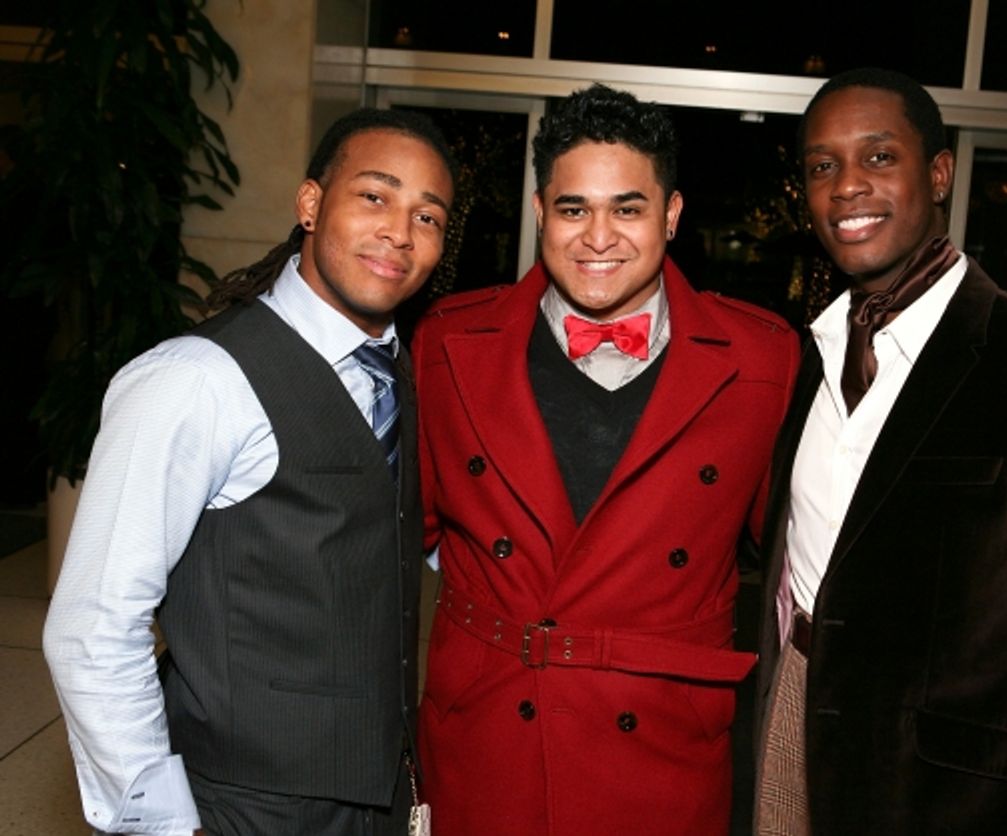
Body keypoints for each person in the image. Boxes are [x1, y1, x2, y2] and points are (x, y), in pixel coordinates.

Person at [753, 67, 1007, 835]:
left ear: (938, 174)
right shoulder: (809, 354)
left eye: (878, 157)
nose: (845, 187)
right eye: (821, 166)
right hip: (792, 727)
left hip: (942, 788)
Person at [42, 107, 455, 835]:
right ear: (309, 203)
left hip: (380, 793)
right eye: (375, 196)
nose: (400, 230)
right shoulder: (193, 379)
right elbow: (95, 626)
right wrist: (164, 825)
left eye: (428, 216)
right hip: (239, 804)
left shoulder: (405, 376)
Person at [411, 83, 801, 836]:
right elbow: (406, 543)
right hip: (488, 739)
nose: (598, 237)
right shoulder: (446, 345)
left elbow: (791, 556)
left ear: (671, 216)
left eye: (627, 208)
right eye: (572, 208)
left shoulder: (763, 360)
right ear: (538, 213)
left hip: (660, 747)